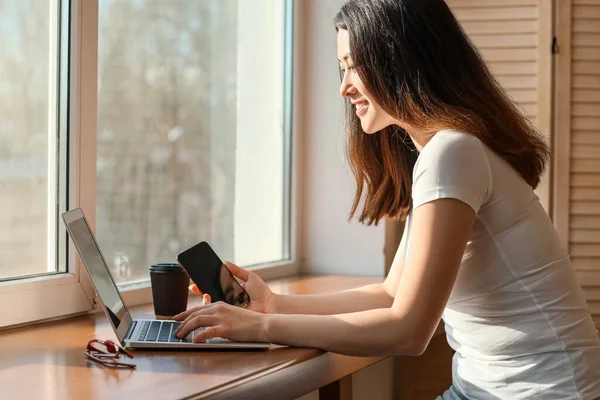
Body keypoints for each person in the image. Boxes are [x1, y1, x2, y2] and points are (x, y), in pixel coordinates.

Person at [173, 0, 600, 398]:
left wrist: (262, 326)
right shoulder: (447, 152)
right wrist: (276, 304)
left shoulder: (452, 153)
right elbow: (391, 294)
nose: (343, 88)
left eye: (355, 67)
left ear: (400, 59)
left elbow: (407, 330)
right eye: (341, 67)